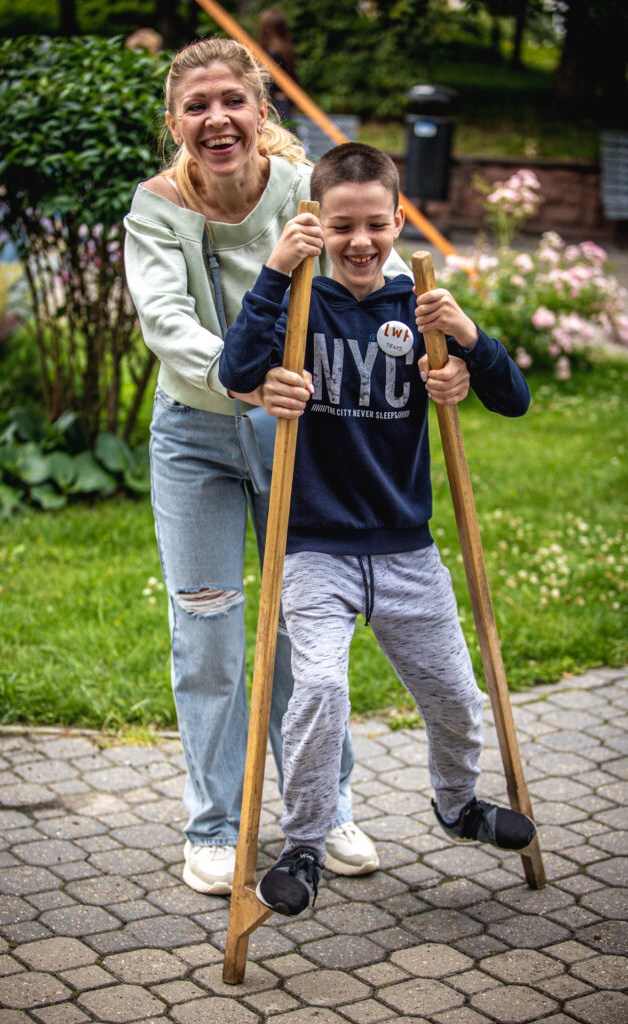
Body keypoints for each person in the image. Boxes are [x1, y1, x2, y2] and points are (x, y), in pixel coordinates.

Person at [123, 41, 414, 896]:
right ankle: (213, 826)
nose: (217, 120)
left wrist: (436, 344)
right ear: (175, 122)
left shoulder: (301, 194)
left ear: (260, 108)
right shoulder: (154, 209)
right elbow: (166, 322)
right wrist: (245, 374)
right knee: (208, 634)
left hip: (296, 435)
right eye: (196, 106)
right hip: (196, 436)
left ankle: (322, 810)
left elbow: (377, 269)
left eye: (232, 101)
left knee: (302, 629)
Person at [218, 142, 537, 917]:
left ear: (398, 221)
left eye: (374, 225)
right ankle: (304, 840)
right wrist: (270, 274)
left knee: (457, 696)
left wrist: (467, 341)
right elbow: (235, 371)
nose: (359, 242)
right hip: (314, 545)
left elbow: (514, 399)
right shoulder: (298, 302)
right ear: (317, 227)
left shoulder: (418, 310)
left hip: (404, 548)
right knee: (320, 686)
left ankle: (457, 805)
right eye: (340, 226)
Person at [257, 8, 297, 123]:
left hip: (275, 105)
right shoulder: (287, 50)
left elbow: (268, 84)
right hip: (285, 102)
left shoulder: (271, 54)